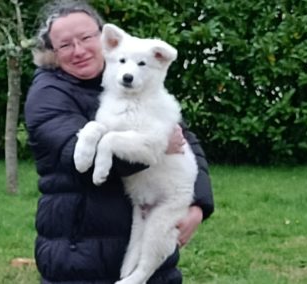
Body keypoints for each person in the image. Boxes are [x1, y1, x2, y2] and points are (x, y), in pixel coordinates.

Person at [24, 0, 214, 283]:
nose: (79, 50)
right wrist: (156, 145)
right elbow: (77, 159)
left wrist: (198, 203)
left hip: (149, 249)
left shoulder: (132, 76)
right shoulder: (48, 94)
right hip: (81, 256)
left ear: (103, 38)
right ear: (52, 52)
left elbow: (184, 141)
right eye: (65, 45)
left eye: (87, 38)